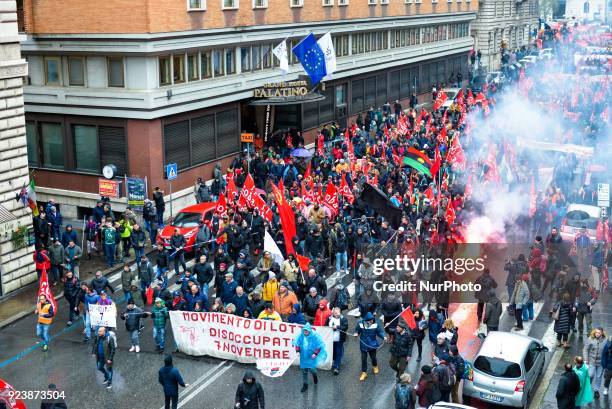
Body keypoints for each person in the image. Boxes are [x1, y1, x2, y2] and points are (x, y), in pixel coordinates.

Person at [293, 323, 327, 393]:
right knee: (304, 371)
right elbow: (297, 344)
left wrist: (315, 353)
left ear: (309, 331)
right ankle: (305, 385)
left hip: (311, 356)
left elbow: (319, 346)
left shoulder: (315, 337)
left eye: (306, 331)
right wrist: (297, 351)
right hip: (303, 356)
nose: (305, 332)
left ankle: (315, 376)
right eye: (304, 331)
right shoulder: (300, 336)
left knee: (312, 370)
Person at [354, 312, 387, 381]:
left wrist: (383, 336)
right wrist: (356, 333)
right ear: (366, 320)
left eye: (372, 320)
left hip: (372, 344)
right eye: (370, 320)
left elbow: (380, 332)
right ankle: (364, 372)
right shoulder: (360, 323)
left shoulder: (376, 324)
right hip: (363, 345)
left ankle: (375, 366)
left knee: (373, 357)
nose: (371, 321)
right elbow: (357, 330)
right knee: (363, 359)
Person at [583, 327, 607, 398]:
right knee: (590, 375)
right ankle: (587, 387)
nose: (597, 334)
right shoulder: (590, 339)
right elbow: (585, 349)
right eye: (596, 332)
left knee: (599, 376)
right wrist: (586, 359)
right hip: (591, 361)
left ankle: (596, 390)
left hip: (601, 362)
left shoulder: (605, 340)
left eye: (599, 333)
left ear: (602, 333)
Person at [325, 307, 348, 375]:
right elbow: (325, 326)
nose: (336, 314)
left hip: (339, 339)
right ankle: (335, 361)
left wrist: (337, 327)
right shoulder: (329, 318)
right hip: (331, 339)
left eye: (337, 313)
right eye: (335, 313)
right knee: (333, 352)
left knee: (338, 352)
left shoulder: (343, 319)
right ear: (333, 313)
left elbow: (345, 327)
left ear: (340, 312)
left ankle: (336, 367)